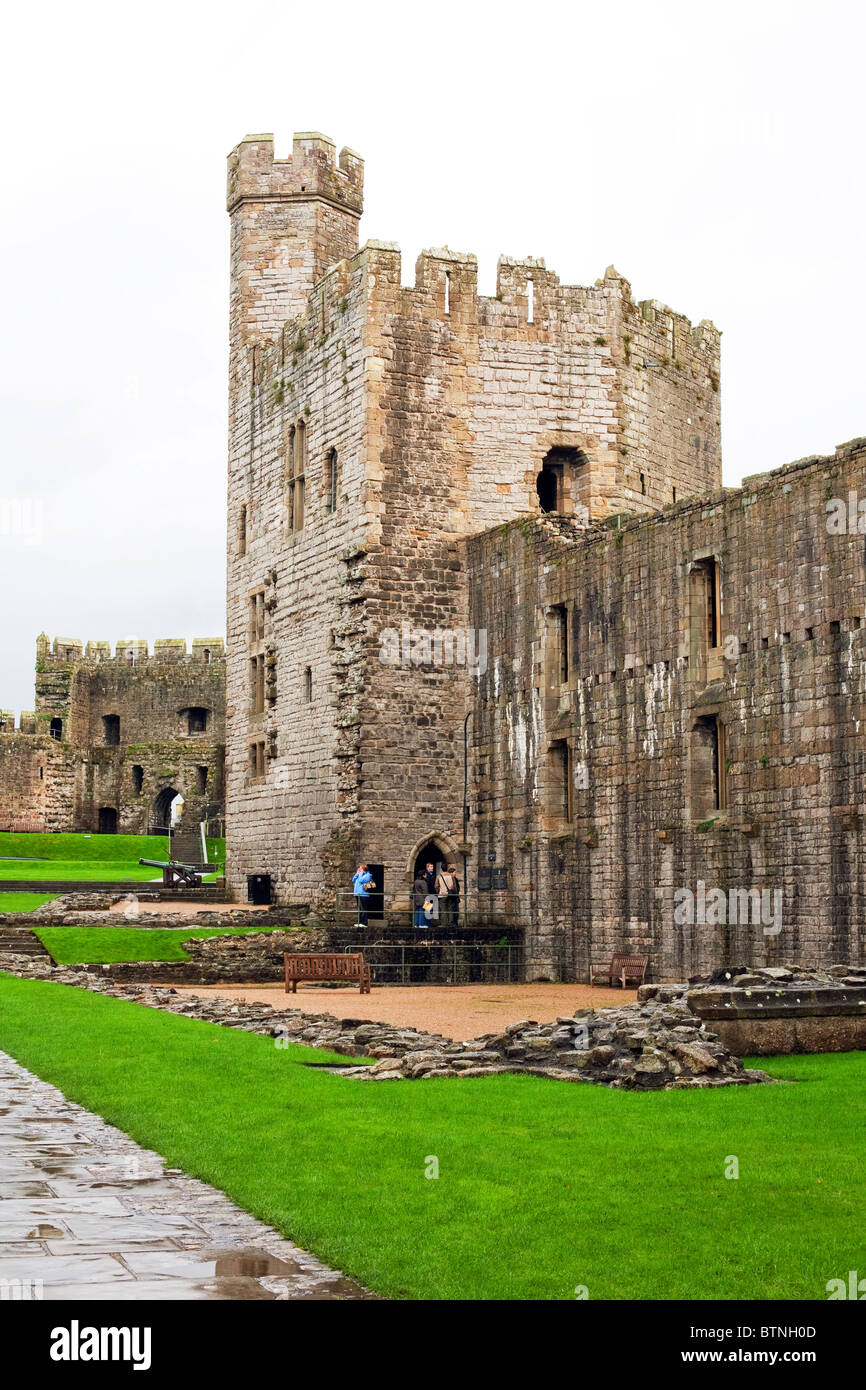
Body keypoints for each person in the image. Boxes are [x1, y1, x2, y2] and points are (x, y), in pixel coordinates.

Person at [435, 863, 460, 927]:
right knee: (450, 908)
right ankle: (450, 922)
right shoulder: (451, 876)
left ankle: (444, 923)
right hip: (450, 895)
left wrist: (439, 891)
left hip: (442, 895)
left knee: (443, 909)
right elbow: (454, 886)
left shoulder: (439, 876)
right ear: (447, 868)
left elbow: (436, 886)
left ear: (441, 869)